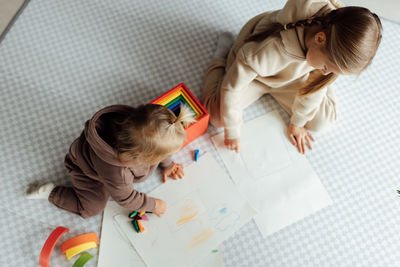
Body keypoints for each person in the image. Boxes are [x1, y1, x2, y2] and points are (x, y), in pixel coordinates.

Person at [202, 0, 382, 154]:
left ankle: (319, 75)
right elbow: (232, 88)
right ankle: (220, 56)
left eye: (332, 70)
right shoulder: (269, 51)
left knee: (322, 122)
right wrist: (233, 130)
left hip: (293, 74)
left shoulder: (332, 40)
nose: (326, 72)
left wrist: (298, 123)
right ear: (319, 39)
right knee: (218, 118)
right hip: (256, 74)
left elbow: (317, 85)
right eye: (327, 67)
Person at [26, 104, 195, 218]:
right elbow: (126, 198)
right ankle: (51, 193)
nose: (164, 158)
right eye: (161, 157)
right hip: (86, 171)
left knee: (157, 146)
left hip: (119, 158)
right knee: (93, 208)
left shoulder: (136, 124)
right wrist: (152, 204)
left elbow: (159, 147)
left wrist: (168, 164)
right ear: (142, 158)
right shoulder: (117, 173)